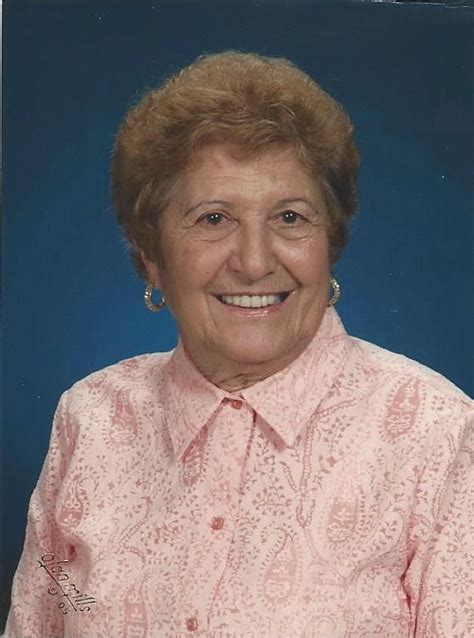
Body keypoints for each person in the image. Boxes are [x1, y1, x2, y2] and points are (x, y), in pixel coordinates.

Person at [5, 51, 472, 638]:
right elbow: (49, 608)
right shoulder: (92, 417)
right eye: (213, 219)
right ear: (151, 258)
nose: (254, 262)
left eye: (290, 217)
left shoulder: (435, 432)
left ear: (329, 245)